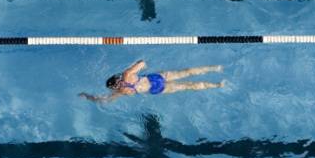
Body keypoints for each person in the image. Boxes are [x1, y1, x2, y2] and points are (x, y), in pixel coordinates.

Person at [80, 60, 223, 102]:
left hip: (157, 89)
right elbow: (143, 62)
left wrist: (87, 96)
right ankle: (215, 67)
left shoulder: (122, 91)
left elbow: (104, 99)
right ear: (116, 78)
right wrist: (134, 65)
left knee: (189, 86)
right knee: (188, 72)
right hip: (157, 78)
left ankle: (217, 85)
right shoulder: (127, 74)